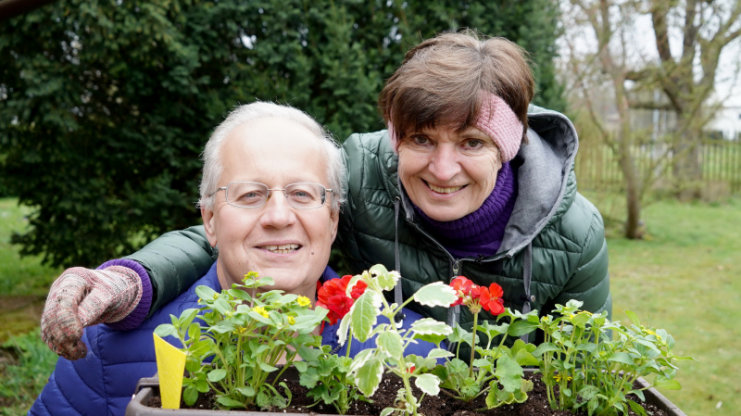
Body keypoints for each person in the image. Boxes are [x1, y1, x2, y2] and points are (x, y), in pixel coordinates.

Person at [40, 30, 610, 361]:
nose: (442, 168)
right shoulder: (360, 173)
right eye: (420, 138)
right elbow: (247, 225)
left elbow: (584, 365)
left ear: (507, 147)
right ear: (395, 137)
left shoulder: (574, 234)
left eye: (471, 142)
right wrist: (129, 279)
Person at [30, 101, 433, 415]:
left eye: (302, 194)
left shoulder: (406, 350)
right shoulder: (107, 346)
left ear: (331, 220)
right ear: (209, 220)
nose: (278, 217)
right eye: (249, 195)